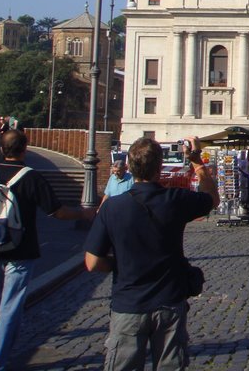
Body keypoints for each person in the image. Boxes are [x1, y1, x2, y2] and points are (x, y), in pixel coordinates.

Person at [84, 136, 217, 371]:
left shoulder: (112, 207)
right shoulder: (175, 200)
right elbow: (212, 198)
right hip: (169, 301)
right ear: (159, 168)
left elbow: (92, 263)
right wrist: (197, 162)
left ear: (129, 167)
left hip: (129, 303)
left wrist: (119, 265)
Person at [0, 129, 94, 371]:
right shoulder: (31, 177)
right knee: (9, 308)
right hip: (21, 250)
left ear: (1, 150)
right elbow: (56, 212)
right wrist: (83, 213)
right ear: (25, 149)